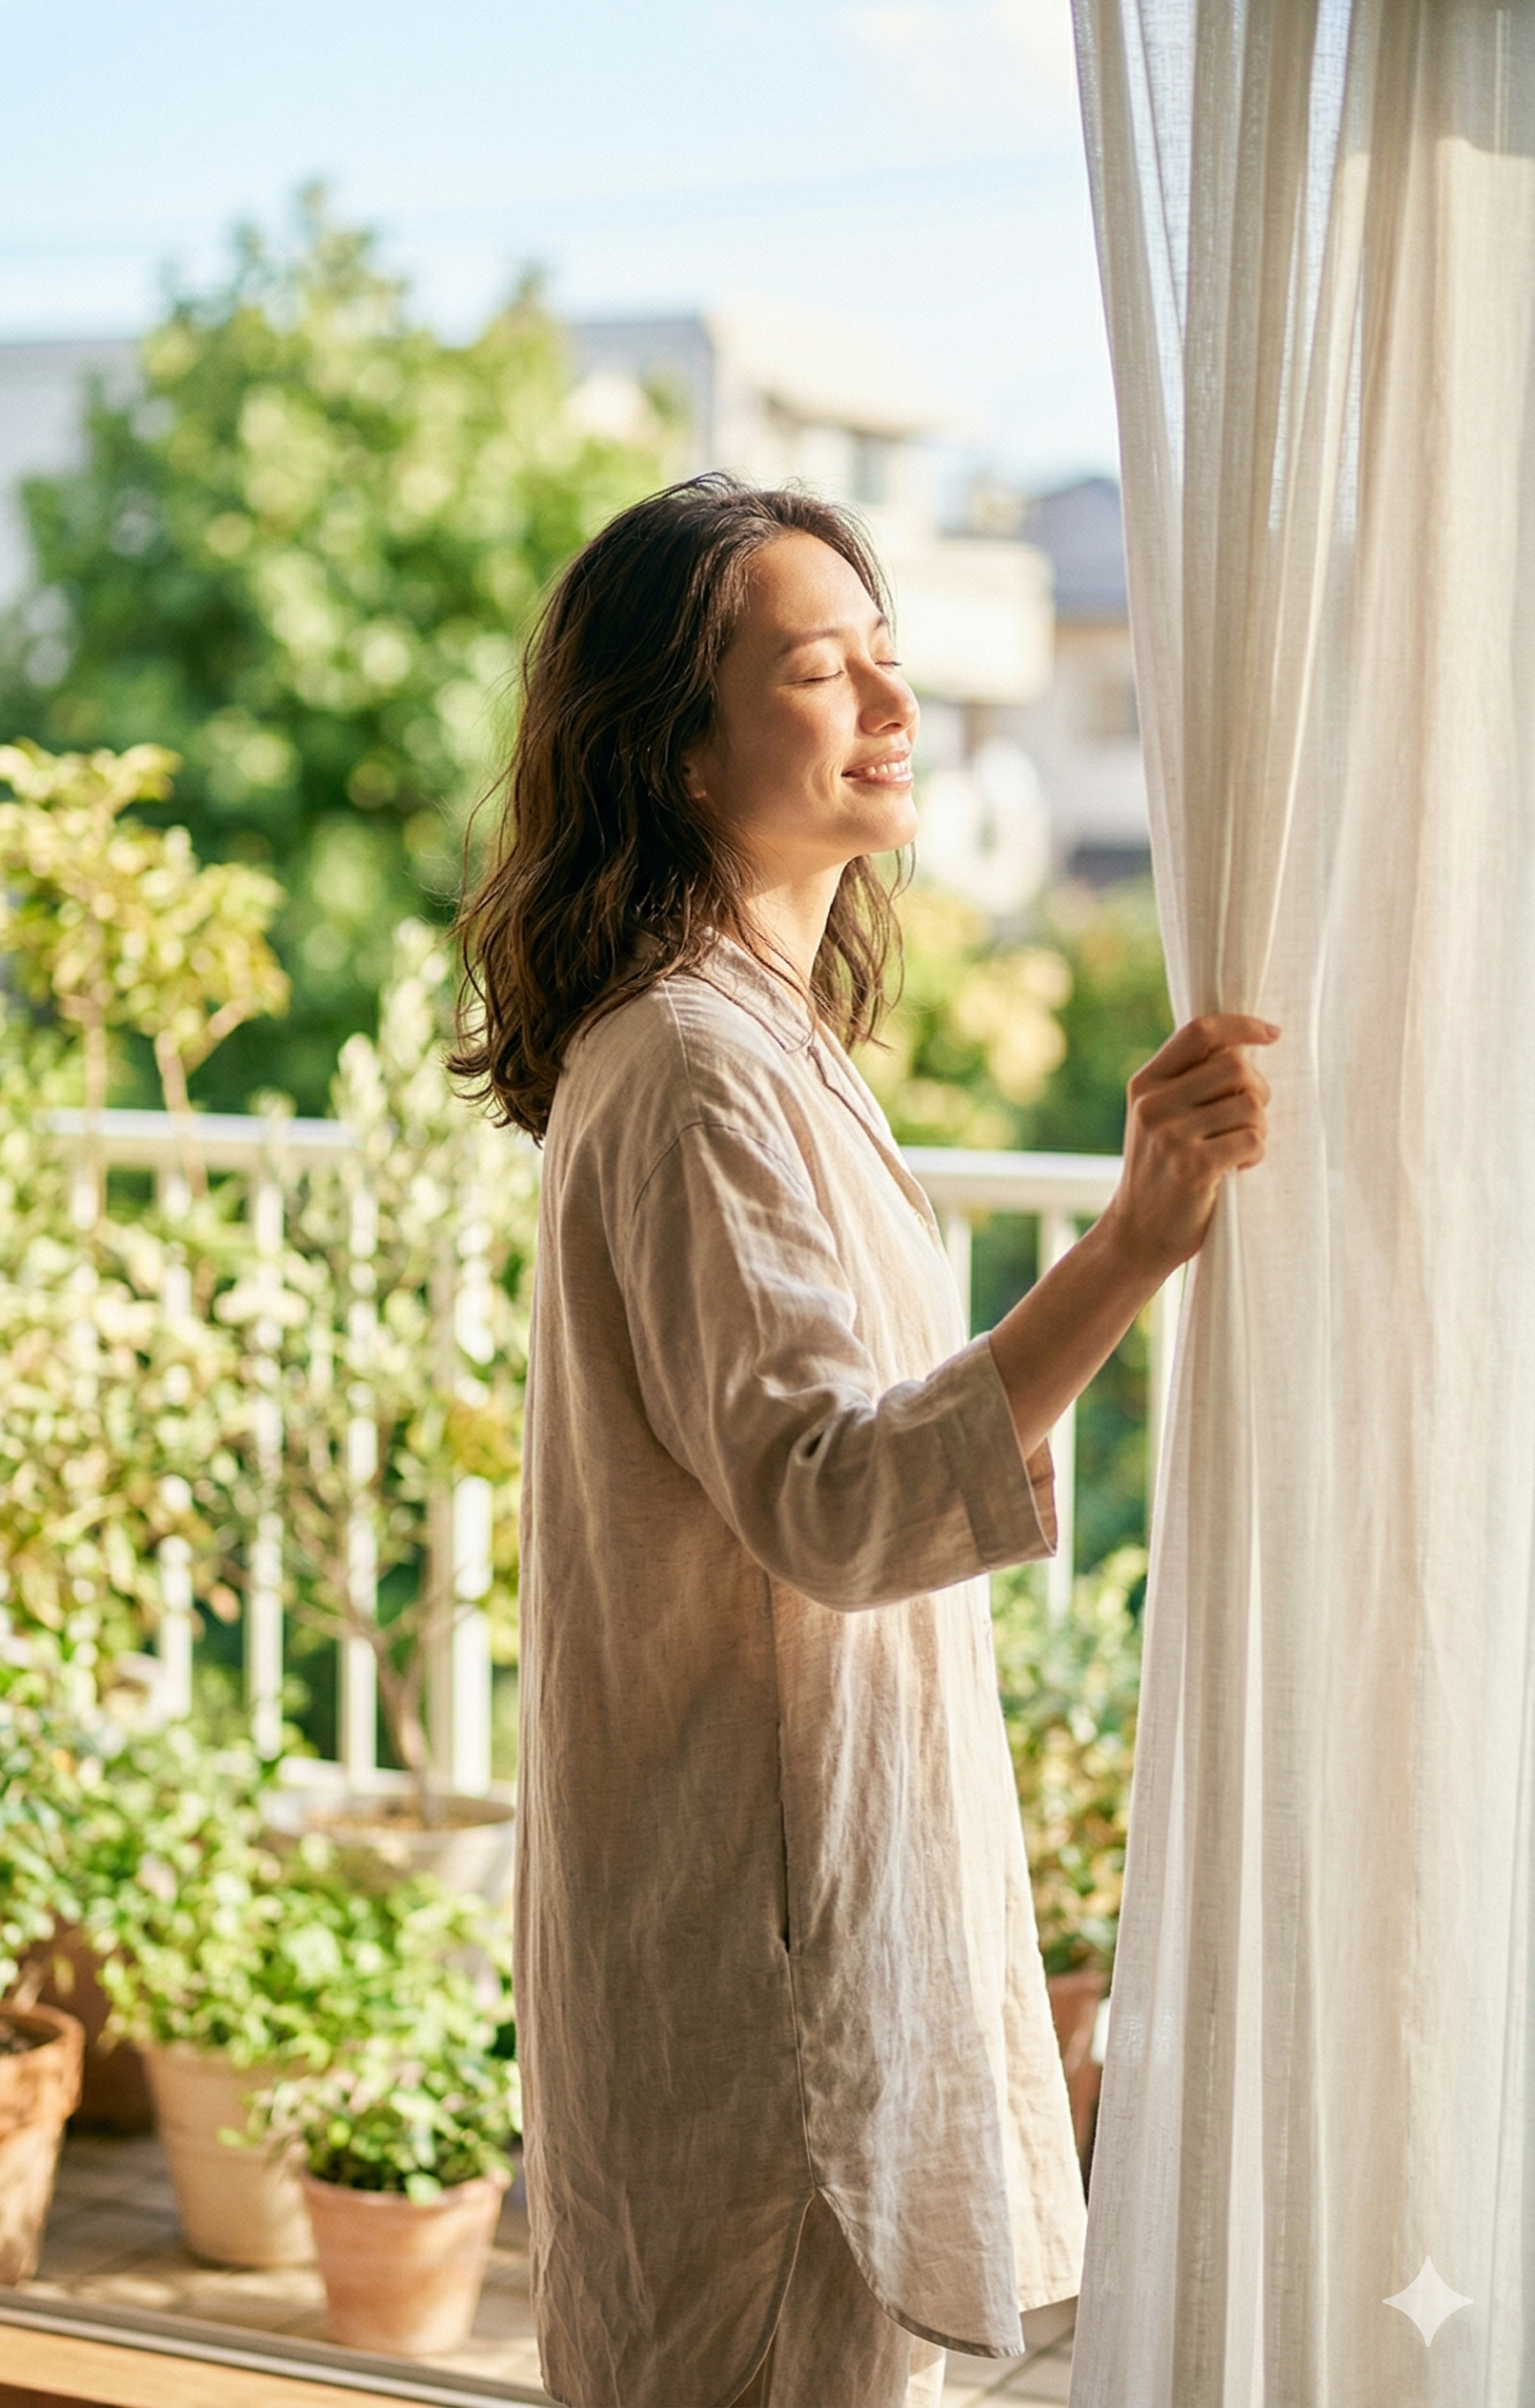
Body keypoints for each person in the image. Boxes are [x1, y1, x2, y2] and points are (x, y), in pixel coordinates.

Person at [454, 475, 1274, 2408]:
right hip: (744, 1956)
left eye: (884, 657)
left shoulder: (759, 1042)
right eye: (820, 671)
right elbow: (831, 1498)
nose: (888, 706)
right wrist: (1130, 1243)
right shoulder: (684, 1070)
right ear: (672, 747)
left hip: (777, 1907)